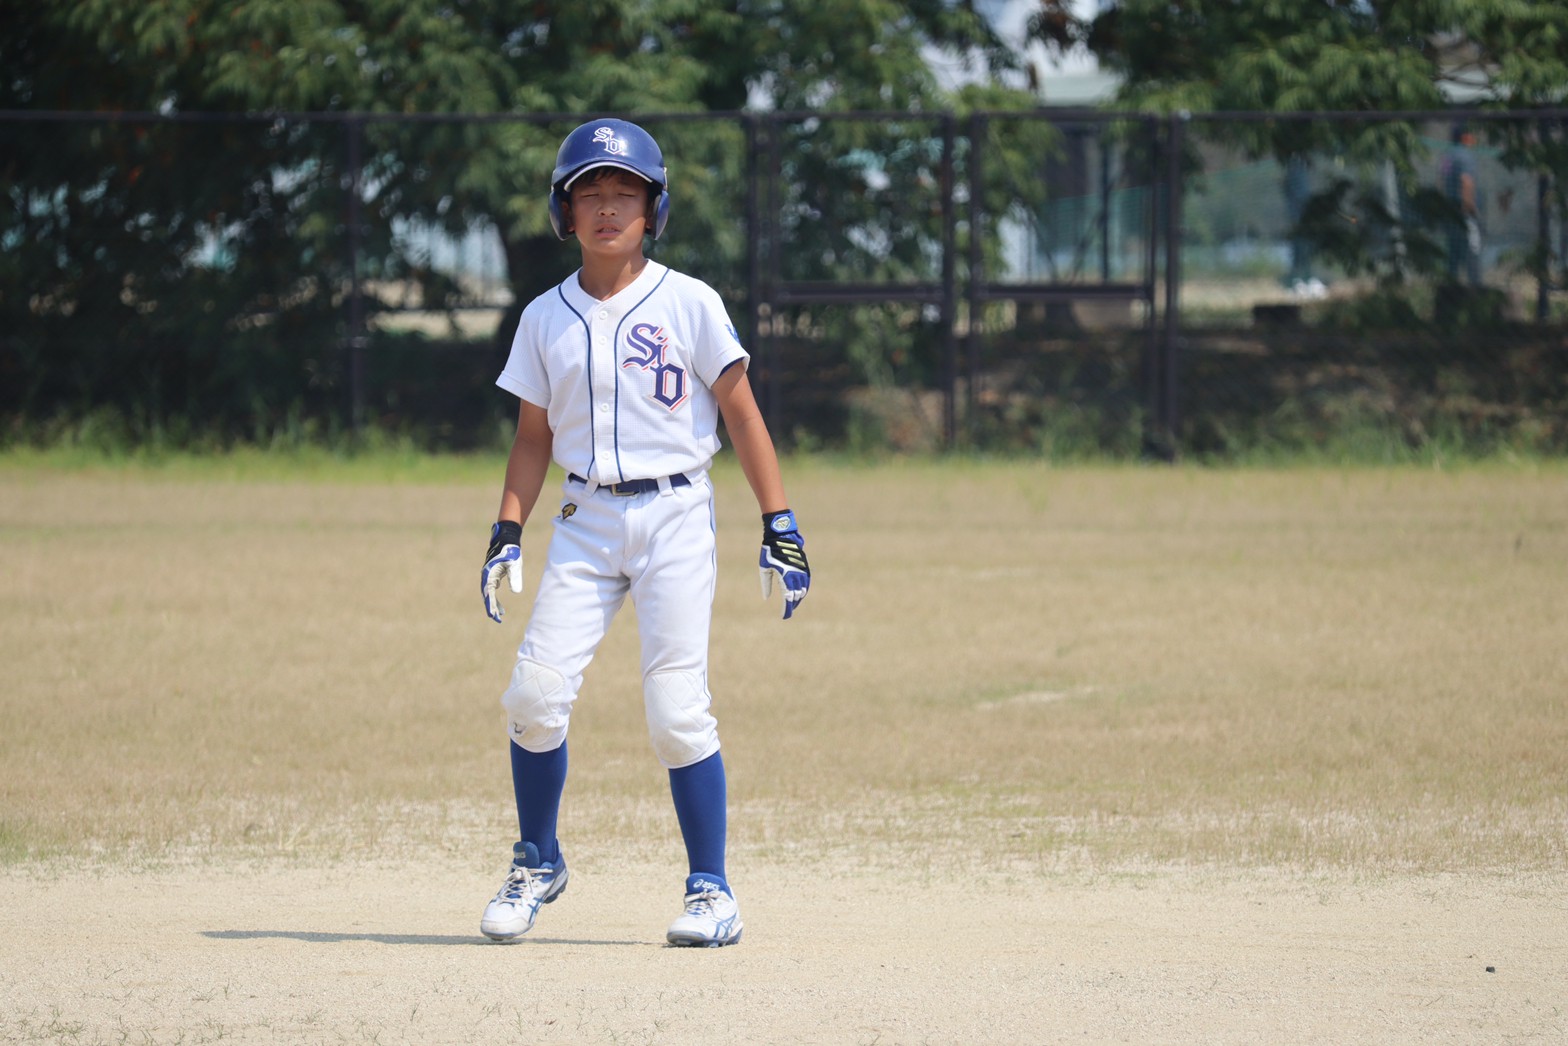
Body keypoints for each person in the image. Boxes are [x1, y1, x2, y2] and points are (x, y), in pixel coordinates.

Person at [476, 118, 811, 948]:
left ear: (653, 209)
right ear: (564, 211)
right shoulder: (544, 316)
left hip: (675, 515)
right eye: (588, 193)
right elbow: (533, 438)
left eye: (624, 193)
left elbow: (742, 414)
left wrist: (779, 521)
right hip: (585, 518)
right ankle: (537, 860)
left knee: (676, 710)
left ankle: (711, 891)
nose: (606, 208)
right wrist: (507, 530)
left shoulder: (690, 302)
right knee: (533, 695)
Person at [1440, 123, 1482, 286]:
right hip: (1463, 211)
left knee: (1453, 249)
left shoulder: (1447, 156)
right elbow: (1466, 181)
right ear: (1465, 137)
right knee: (1472, 248)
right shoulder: (1465, 156)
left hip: (1449, 209)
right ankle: (1475, 287)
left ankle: (1451, 285)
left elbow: (1441, 181)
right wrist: (1469, 207)